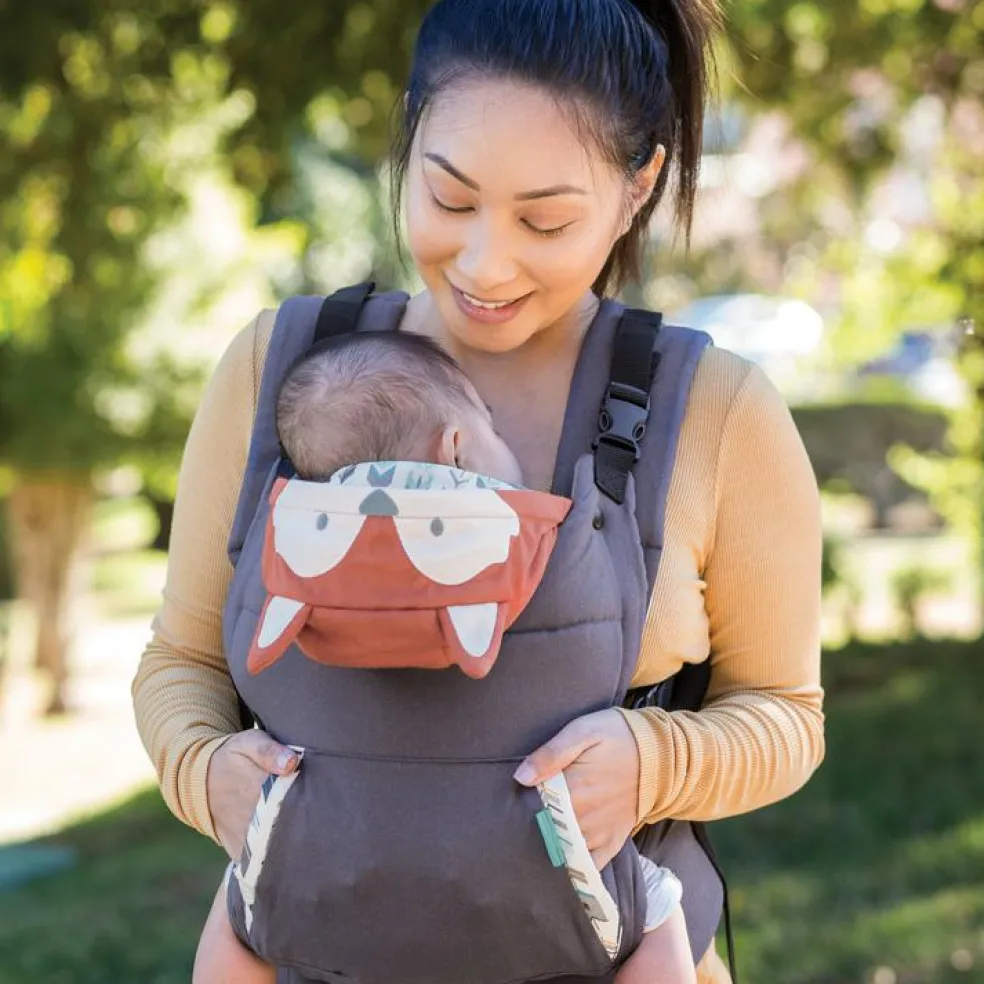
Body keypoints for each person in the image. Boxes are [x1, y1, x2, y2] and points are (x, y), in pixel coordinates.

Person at [132, 1, 825, 982]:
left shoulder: (715, 411)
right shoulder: (281, 372)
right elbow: (179, 663)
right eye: (450, 199)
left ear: (639, 188)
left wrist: (654, 761)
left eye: (545, 219)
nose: (483, 262)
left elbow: (788, 716)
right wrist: (207, 774)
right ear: (408, 139)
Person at [192, 327, 698, 984]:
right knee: (658, 910)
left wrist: (202, 771)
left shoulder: (290, 549)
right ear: (456, 446)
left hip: (316, 866)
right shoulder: (539, 538)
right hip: (539, 875)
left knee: (238, 913)